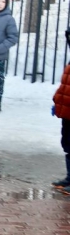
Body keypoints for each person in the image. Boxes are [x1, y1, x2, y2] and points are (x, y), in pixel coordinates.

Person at [52, 28, 70, 194]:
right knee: (68, 145)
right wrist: (57, 101)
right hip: (67, 112)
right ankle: (69, 176)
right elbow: (65, 86)